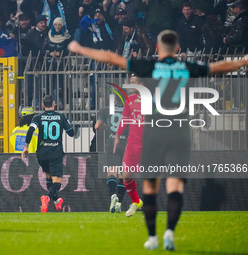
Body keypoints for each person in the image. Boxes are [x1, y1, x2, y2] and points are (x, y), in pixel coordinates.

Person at [68, 30, 248, 251]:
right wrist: (244, 60)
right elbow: (220, 67)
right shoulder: (186, 67)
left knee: (150, 187)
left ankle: (152, 237)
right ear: (178, 49)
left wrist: (81, 49)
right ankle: (170, 233)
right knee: (174, 187)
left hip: (154, 134)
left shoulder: (150, 68)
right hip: (178, 134)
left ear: (157, 48)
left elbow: (112, 58)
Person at [22, 95, 74, 212]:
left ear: (43, 105)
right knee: (57, 182)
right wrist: (68, 123)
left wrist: (26, 147)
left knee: (49, 178)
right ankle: (47, 197)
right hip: (55, 153)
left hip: (42, 154)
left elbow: (30, 130)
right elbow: (71, 133)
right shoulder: (61, 117)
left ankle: (56, 201)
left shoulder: (38, 117)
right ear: (54, 104)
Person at [113, 76, 144, 217]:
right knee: (126, 176)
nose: (131, 85)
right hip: (132, 145)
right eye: (130, 82)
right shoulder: (129, 99)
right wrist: (117, 136)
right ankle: (136, 202)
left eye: (133, 82)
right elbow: (124, 119)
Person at [95, 96, 127, 213]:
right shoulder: (129, 109)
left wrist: (106, 128)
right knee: (124, 175)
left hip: (112, 142)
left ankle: (113, 195)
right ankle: (119, 204)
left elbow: (97, 126)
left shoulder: (107, 110)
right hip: (125, 144)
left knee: (112, 172)